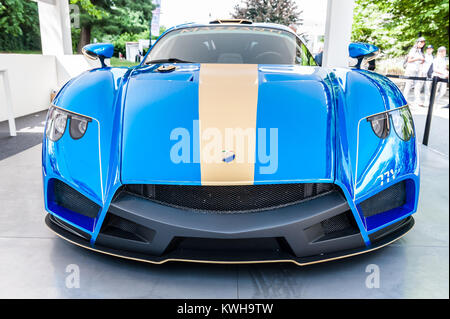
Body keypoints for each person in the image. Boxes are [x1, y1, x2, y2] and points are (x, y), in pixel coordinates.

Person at [403, 37, 426, 105]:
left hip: (417, 70)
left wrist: (422, 61)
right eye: (421, 42)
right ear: (417, 42)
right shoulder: (413, 50)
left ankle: (417, 100)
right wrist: (418, 58)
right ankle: (405, 99)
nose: (422, 43)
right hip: (411, 69)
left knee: (417, 85)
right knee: (408, 85)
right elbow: (409, 60)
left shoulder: (420, 51)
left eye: (423, 42)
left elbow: (419, 61)